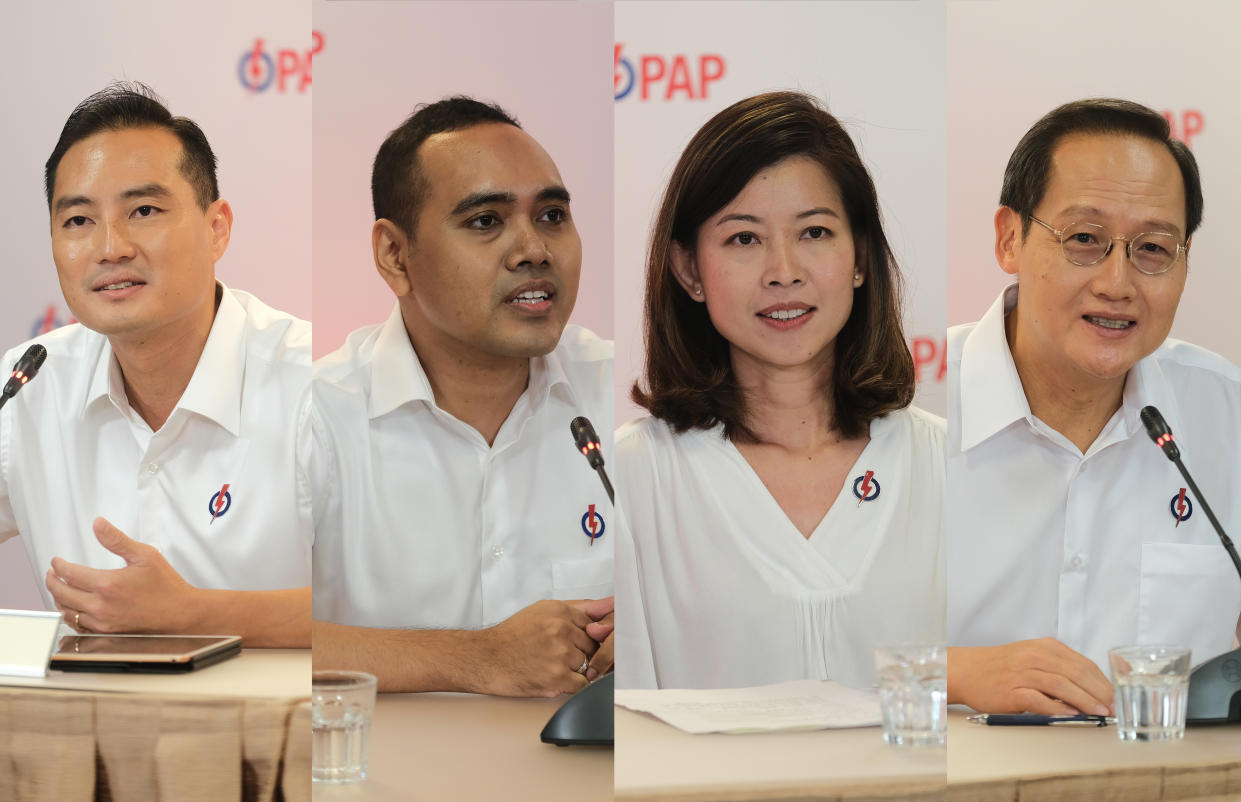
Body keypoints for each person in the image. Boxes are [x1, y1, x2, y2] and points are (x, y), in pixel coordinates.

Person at [614, 91, 945, 690]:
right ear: (689, 270)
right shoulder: (634, 476)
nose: (784, 270)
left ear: (860, 258)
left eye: (815, 232)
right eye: (744, 239)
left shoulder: (947, 463)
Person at [311, 97, 614, 696]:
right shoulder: (316, 416)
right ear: (395, 256)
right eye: (486, 221)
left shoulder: (626, 398)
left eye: (552, 216)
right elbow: (247, 638)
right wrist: (474, 658)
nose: (534, 250)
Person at [947, 98, 1241, 716]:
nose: (1117, 283)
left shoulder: (1225, 414)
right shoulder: (899, 403)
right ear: (1009, 239)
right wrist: (953, 672)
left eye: (1154, 249)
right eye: (1084, 240)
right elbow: (798, 649)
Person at [0, 83, 311, 647]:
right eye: (77, 222)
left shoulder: (313, 383)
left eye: (143, 211)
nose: (109, 247)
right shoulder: (29, 383)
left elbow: (406, 605)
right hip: (88, 731)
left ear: (217, 227)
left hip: (279, 731)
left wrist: (194, 614)